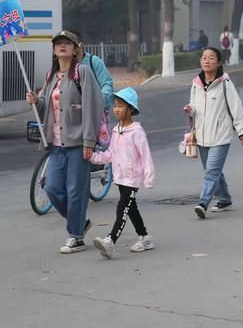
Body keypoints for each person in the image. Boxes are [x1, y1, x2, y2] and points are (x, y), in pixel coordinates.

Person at [26, 30, 104, 254]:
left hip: (79, 142)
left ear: (74, 48)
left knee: (76, 190)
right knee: (52, 188)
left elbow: (93, 106)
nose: (62, 46)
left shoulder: (83, 72)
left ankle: (76, 236)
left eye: (67, 43)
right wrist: (36, 101)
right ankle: (79, 223)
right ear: (53, 50)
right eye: (58, 43)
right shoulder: (51, 75)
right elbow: (46, 107)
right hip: (56, 144)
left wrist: (89, 140)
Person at [184, 47, 243, 218]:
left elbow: (236, 108)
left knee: (211, 171)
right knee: (213, 170)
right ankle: (225, 199)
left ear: (219, 62)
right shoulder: (195, 84)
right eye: (204, 57)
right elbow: (194, 106)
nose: (207, 61)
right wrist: (190, 110)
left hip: (221, 135)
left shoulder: (225, 84)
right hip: (202, 136)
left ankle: (203, 203)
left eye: (211, 58)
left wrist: (242, 132)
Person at [90, 88, 155, 259]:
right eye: (115, 106)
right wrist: (94, 157)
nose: (116, 109)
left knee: (122, 209)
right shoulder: (115, 130)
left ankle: (110, 241)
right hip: (120, 177)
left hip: (132, 179)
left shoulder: (137, 132)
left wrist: (148, 178)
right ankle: (145, 237)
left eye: (121, 106)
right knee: (130, 209)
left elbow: (146, 156)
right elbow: (111, 154)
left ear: (131, 109)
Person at [72, 30, 114, 112]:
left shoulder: (94, 61)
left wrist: (100, 101)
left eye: (72, 43)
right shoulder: (64, 65)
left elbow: (107, 84)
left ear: (81, 45)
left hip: (95, 112)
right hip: (73, 113)